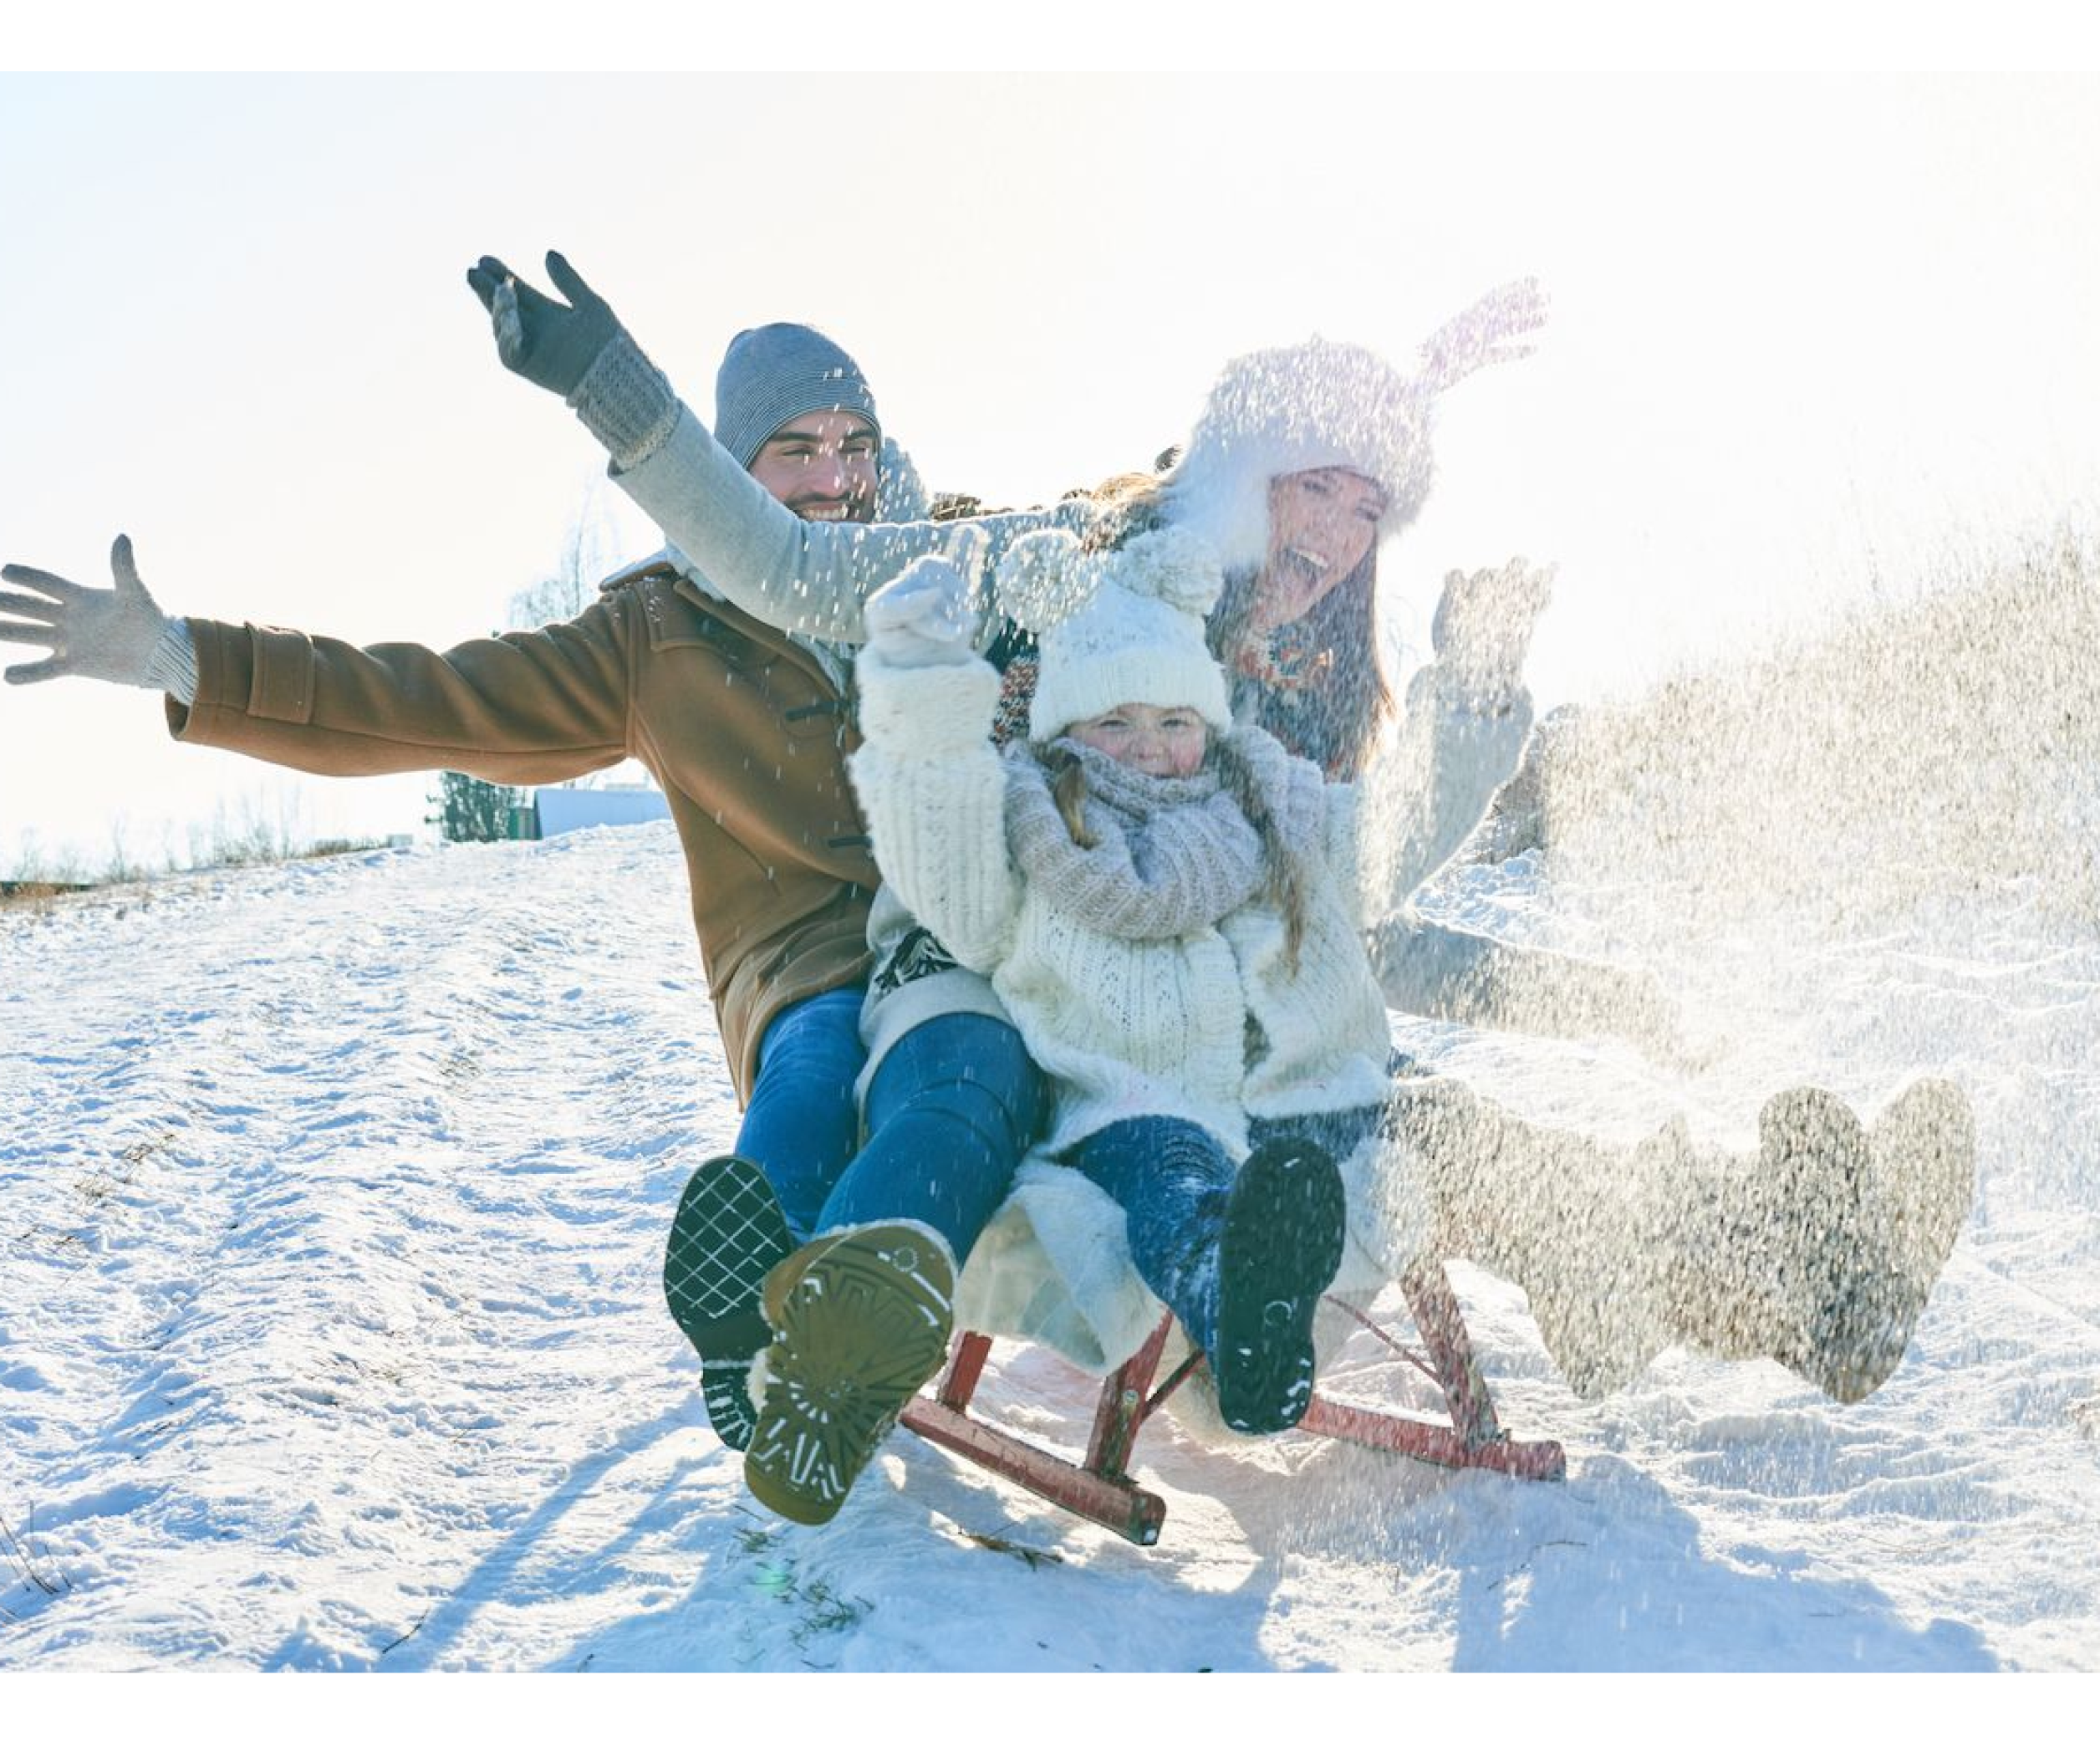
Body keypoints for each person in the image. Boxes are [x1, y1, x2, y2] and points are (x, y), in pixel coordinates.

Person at [0, 319, 1063, 1452]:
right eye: (795, 450)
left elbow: (1119, 572)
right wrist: (193, 662)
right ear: (729, 468)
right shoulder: (662, 632)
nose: (836, 477)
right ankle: (764, 1296)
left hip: (970, 938)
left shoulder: (956, 562)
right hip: (805, 961)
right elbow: (435, 698)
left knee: (958, 1062)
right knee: (819, 1062)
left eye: (855, 443)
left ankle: (844, 1305)